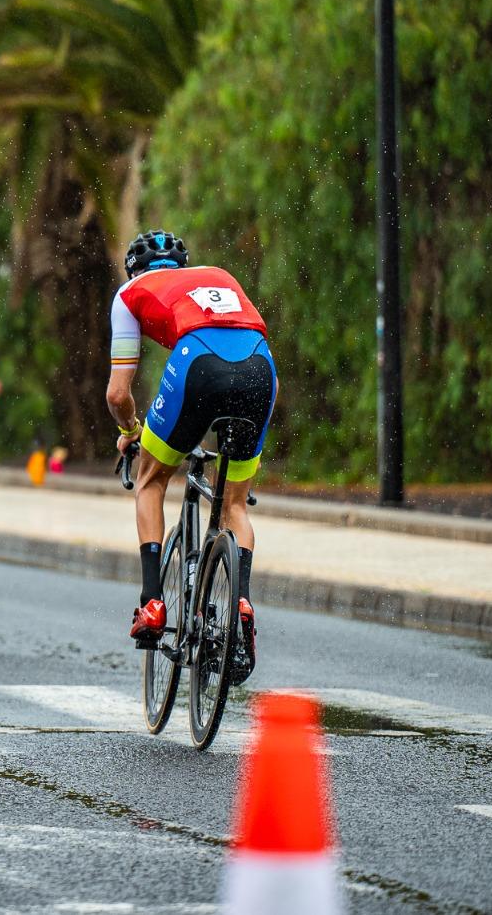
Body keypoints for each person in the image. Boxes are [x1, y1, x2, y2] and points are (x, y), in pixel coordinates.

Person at [104, 230, 276, 681]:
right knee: (234, 505)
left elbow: (118, 393)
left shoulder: (130, 293)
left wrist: (130, 432)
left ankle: (153, 602)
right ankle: (241, 601)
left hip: (199, 361)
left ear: (134, 271)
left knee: (151, 480)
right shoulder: (216, 276)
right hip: (260, 364)